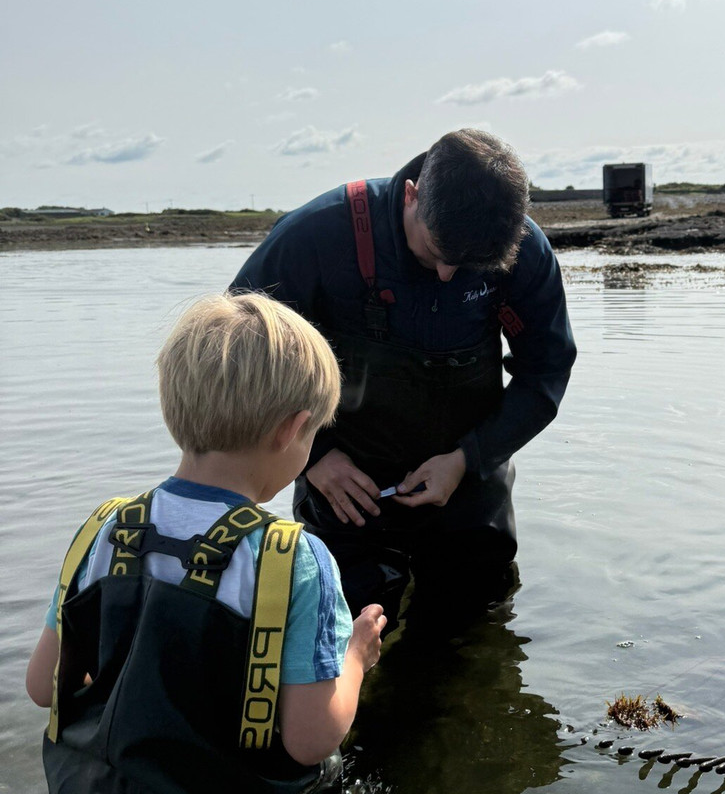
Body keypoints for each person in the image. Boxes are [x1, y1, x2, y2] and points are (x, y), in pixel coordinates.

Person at [25, 293, 387, 793]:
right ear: (293, 430)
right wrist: (354, 655)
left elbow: (45, 686)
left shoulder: (105, 528)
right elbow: (312, 738)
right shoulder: (295, 559)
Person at [230, 128, 576, 634]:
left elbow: (545, 372)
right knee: (337, 629)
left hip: (468, 475)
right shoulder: (316, 236)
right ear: (411, 194)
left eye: (466, 268)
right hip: (344, 484)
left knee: (474, 625)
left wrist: (466, 460)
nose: (445, 275)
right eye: (435, 252)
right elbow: (238, 355)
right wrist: (315, 456)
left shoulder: (526, 251)